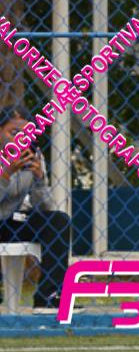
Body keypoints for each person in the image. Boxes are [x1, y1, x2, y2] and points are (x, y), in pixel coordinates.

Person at [0, 104, 71, 311]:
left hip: (12, 220)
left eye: (26, 134)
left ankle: (49, 296)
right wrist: (5, 174)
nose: (20, 140)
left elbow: (44, 207)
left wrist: (39, 179)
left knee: (58, 220)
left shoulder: (33, 155)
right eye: (14, 133)